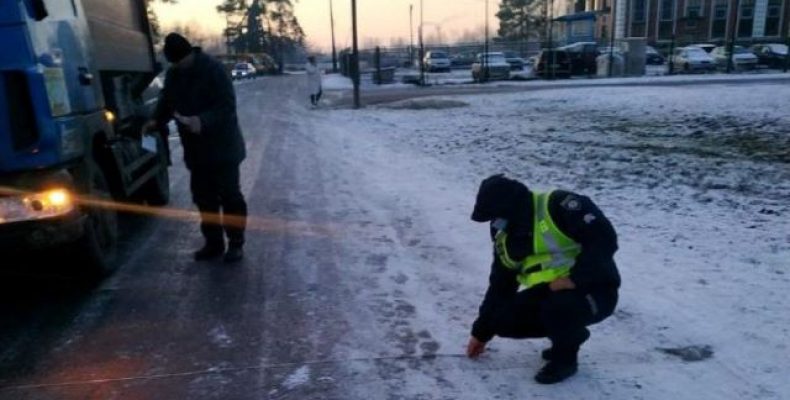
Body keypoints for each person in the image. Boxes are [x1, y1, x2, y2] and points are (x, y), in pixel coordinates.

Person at [466, 174, 620, 384]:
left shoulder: (559, 205)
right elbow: (500, 287)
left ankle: (565, 359)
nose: (495, 223)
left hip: (595, 290)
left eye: (497, 215)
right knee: (499, 320)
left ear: (511, 207)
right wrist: (481, 333)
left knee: (560, 307)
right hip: (551, 292)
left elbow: (604, 239)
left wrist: (575, 278)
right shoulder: (505, 236)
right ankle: (569, 335)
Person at [142, 33, 247, 263]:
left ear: (189, 54)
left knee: (230, 196)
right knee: (204, 198)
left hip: (223, 148)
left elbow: (226, 106)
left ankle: (236, 243)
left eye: (180, 61)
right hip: (196, 151)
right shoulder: (174, 74)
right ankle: (213, 243)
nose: (178, 66)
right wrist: (155, 120)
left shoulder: (214, 70)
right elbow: (167, 101)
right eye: (174, 63)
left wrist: (202, 121)